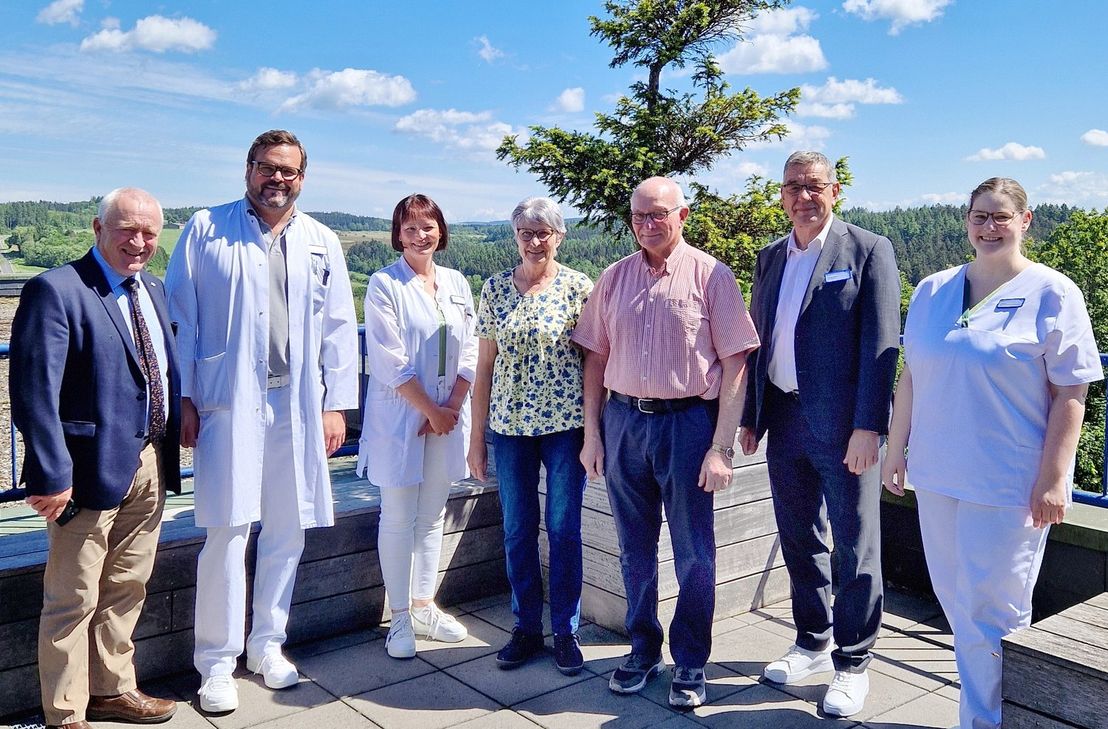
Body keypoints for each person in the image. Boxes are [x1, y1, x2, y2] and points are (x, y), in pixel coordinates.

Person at [882, 177, 1103, 729]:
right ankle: (985, 714)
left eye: (1001, 216)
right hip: (937, 475)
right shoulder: (933, 289)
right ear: (966, 221)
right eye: (979, 216)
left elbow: (1071, 392)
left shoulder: (1053, 293)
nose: (988, 227)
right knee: (959, 603)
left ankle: (991, 721)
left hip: (1007, 482)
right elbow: (912, 376)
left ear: (1025, 221)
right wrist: (896, 448)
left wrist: (1055, 479)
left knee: (996, 611)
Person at [165, 130, 359, 712]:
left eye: (289, 172)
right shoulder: (207, 228)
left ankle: (268, 644)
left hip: (296, 405)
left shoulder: (322, 240)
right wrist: (187, 398)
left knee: (288, 527)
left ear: (304, 177)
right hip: (229, 401)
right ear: (248, 169)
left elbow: (338, 330)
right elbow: (182, 318)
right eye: (267, 168)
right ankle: (217, 662)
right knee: (227, 530)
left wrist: (334, 405)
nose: (278, 179)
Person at [572, 176, 758, 708]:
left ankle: (693, 660)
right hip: (625, 423)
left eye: (659, 215)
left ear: (683, 214)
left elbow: (736, 361)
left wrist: (720, 447)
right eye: (639, 216)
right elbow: (596, 359)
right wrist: (593, 435)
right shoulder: (614, 278)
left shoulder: (712, 276)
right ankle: (642, 647)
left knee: (694, 552)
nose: (648, 225)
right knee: (634, 549)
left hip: (688, 425)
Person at [10, 188, 181, 729]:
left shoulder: (152, 288)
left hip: (149, 460)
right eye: (126, 229)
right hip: (83, 475)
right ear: (97, 227)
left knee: (127, 586)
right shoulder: (56, 289)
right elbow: (34, 391)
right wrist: (52, 473)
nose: (139, 242)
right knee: (72, 598)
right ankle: (64, 715)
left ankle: (112, 690)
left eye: (149, 233)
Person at [739, 151, 900, 718]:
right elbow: (760, 338)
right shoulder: (771, 257)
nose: (802, 197)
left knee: (856, 546)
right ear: (780, 195)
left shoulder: (867, 250)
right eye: (792, 187)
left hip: (844, 427)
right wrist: (750, 417)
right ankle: (813, 640)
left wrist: (869, 428)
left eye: (813, 186)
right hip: (783, 418)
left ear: (834, 191)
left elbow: (882, 347)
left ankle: (854, 662)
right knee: (799, 535)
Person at [468, 196, 593, 674]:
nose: (535, 241)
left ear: (559, 237)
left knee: (563, 531)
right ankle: (526, 628)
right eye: (526, 232)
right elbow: (484, 367)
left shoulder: (580, 288)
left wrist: (594, 433)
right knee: (517, 530)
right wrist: (477, 439)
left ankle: (566, 630)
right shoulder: (496, 289)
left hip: (566, 429)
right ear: (515, 236)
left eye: (544, 232)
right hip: (510, 430)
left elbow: (593, 366)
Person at [358, 194, 477, 659]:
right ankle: (400, 621)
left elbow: (469, 348)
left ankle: (424, 605)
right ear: (398, 235)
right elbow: (391, 361)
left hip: (446, 416)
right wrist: (431, 410)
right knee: (398, 517)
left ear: (441, 231)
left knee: (431, 518)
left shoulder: (456, 282)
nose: (420, 235)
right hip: (404, 417)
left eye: (428, 227)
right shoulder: (385, 284)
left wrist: (450, 407)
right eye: (410, 228)